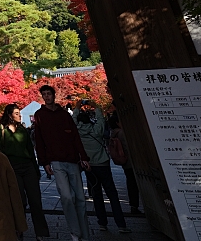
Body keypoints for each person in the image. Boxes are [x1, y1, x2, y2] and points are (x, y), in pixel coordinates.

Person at [34, 85, 90, 241]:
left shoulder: (64, 115)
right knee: (66, 196)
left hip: (72, 159)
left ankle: (84, 234)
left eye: (48, 94)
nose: (46, 97)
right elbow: (39, 140)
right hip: (56, 160)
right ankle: (75, 231)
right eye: (44, 94)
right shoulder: (39, 115)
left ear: (53, 95)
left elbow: (75, 137)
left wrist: (83, 157)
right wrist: (44, 161)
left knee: (79, 197)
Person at [0, 104, 50, 240]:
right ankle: (19, 229)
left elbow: (31, 151)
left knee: (35, 199)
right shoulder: (1, 130)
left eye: (19, 113)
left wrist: (37, 170)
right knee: (19, 201)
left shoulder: (23, 130)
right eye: (17, 113)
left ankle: (40, 232)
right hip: (12, 167)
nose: (19, 115)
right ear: (9, 115)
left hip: (28, 166)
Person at [76, 101, 129, 233]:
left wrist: (77, 108)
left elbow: (72, 120)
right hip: (103, 164)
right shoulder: (97, 129)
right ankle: (121, 224)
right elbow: (100, 118)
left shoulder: (77, 131)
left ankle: (102, 223)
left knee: (97, 194)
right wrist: (96, 106)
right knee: (112, 194)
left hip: (89, 166)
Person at [107, 112, 140, 215]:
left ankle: (133, 204)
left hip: (124, 161)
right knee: (134, 183)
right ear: (117, 122)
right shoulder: (122, 133)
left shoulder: (113, 133)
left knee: (130, 182)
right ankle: (134, 204)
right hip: (130, 161)